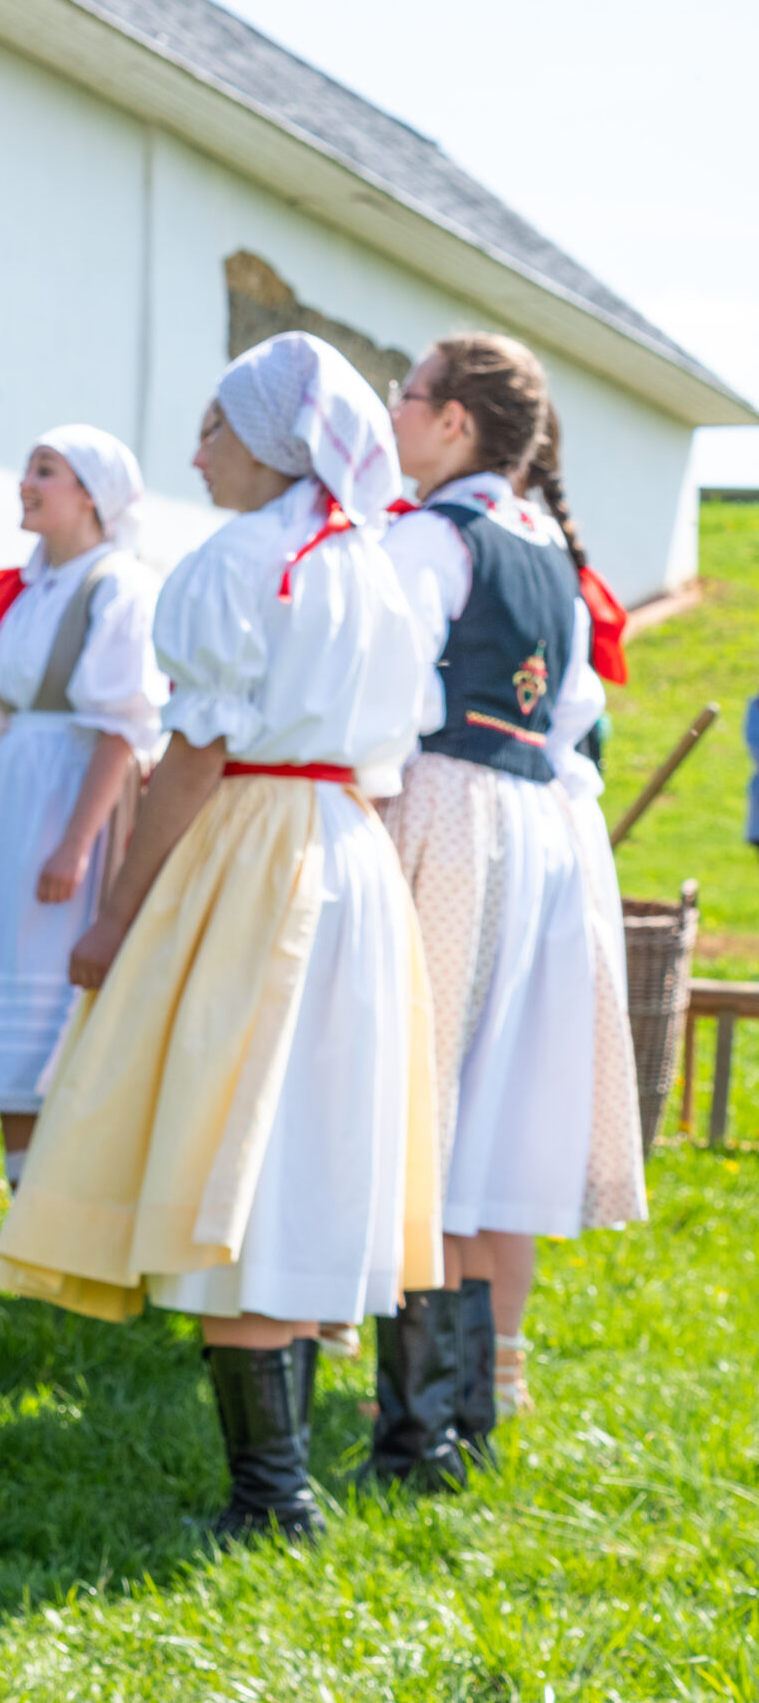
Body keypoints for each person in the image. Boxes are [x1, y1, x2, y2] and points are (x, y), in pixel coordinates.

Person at [0, 332, 443, 1543]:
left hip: (254, 844)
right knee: (298, 1137)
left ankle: (270, 1495)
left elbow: (193, 753)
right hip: (345, 850)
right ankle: (277, 1487)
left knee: (230, 1128)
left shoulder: (242, 559)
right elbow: (386, 753)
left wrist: (118, 913)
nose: (193, 453)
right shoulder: (374, 564)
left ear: (267, 442)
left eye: (211, 429)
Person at [365, 335, 645, 1487]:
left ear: (456, 423)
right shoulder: (543, 547)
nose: (393, 407)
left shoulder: (432, 538)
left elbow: (380, 687)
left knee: (428, 1106)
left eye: (408, 392)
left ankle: (419, 1432)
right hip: (534, 828)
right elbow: (572, 715)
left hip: (441, 811)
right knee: (488, 1115)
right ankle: (476, 1413)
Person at [0, 427, 164, 1189]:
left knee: (56, 994)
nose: (25, 484)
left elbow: (121, 729)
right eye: (28, 469)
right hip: (13, 805)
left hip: (74, 800)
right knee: (7, 987)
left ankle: (69, 1192)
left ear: (92, 494)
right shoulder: (27, 593)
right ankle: (22, 1187)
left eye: (45, 471)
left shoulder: (118, 586)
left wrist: (76, 844)